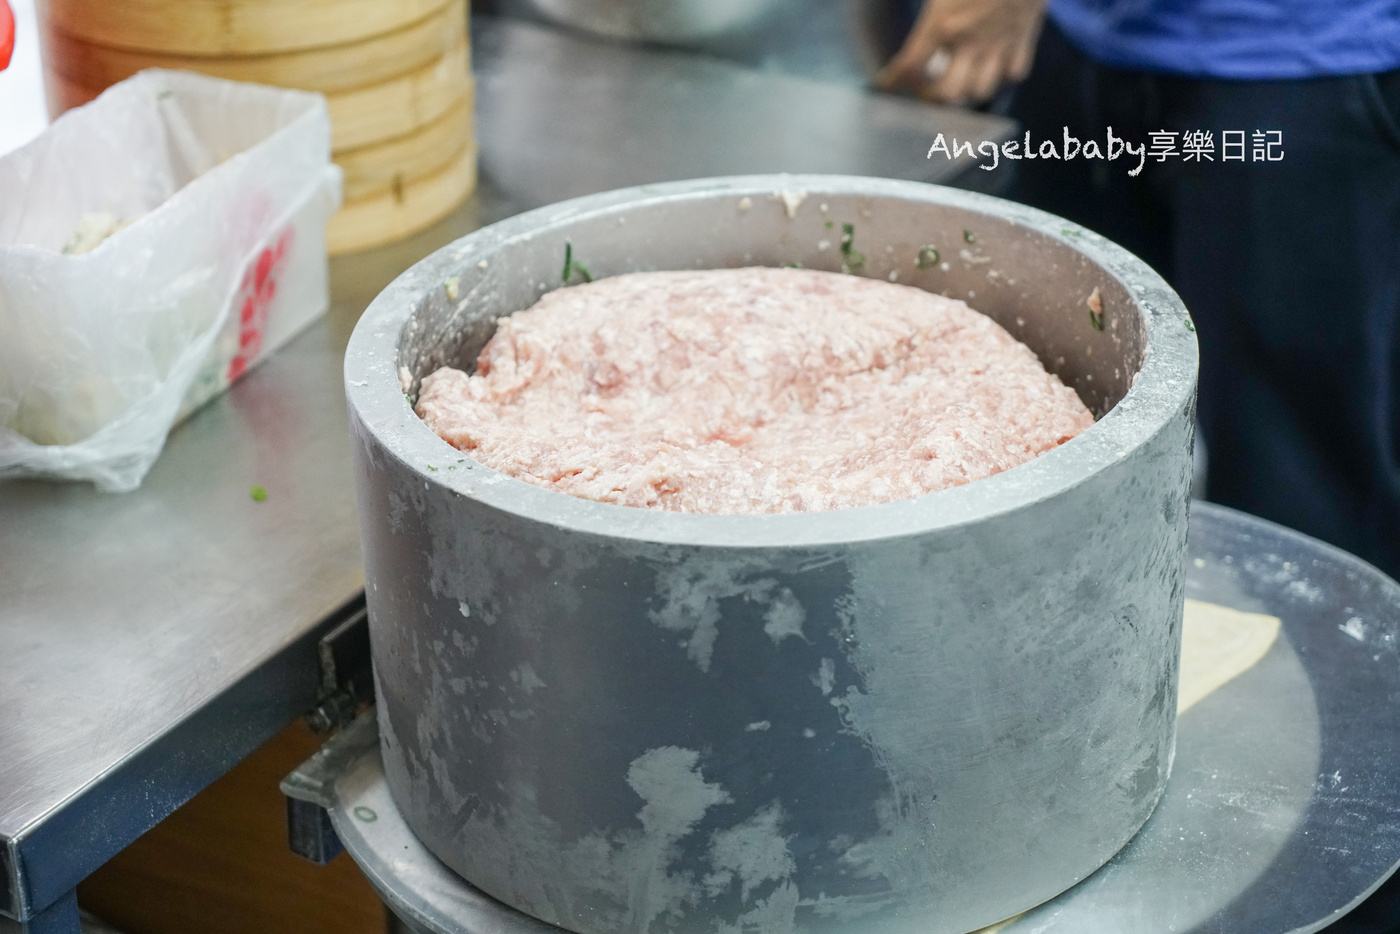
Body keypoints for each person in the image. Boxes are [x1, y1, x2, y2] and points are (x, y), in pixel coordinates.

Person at [884, 3, 1400, 931]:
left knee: (1298, 500)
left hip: (1294, 70)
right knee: (1054, 441)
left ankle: (1342, 874)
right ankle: (1027, 794)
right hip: (1086, 53)